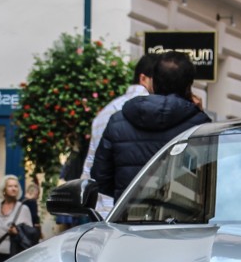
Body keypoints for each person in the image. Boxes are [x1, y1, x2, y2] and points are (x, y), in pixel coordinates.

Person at [90, 50, 211, 202]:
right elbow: (210, 180)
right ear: (188, 86)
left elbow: (100, 179)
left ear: (152, 82)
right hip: (181, 218)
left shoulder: (117, 120)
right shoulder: (200, 125)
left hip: (127, 218)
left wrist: (126, 192)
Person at [82, 55, 157, 217]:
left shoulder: (104, 113)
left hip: (105, 210)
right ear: (143, 78)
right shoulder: (155, 111)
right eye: (158, 78)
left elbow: (90, 167)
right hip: (146, 213)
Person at [0, 174, 33, 262]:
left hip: (14, 255)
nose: (13, 189)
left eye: (16, 186)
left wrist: (17, 232)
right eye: (10, 186)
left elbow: (30, 234)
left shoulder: (23, 209)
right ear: (4, 190)